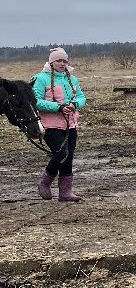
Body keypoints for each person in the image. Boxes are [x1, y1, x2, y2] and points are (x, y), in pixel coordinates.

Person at [32, 48, 86, 202]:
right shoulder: (41, 79)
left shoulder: (72, 79)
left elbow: (82, 97)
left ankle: (65, 192)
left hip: (70, 124)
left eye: (64, 61)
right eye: (59, 61)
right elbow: (37, 101)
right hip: (49, 125)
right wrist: (59, 107)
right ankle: (44, 183)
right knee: (61, 153)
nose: (62, 63)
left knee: (68, 156)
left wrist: (75, 105)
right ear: (51, 62)